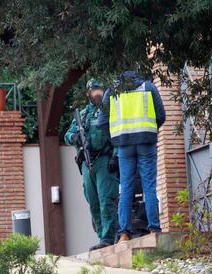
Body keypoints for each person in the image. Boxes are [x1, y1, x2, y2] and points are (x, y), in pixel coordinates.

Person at [99, 71, 166, 242]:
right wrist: (149, 131)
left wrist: (116, 138)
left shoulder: (111, 91)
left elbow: (102, 122)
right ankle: (154, 230)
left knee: (126, 188)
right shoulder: (148, 87)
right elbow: (161, 115)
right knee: (149, 186)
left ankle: (124, 234)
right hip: (146, 142)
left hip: (124, 145)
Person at [64, 79, 119, 250]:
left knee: (106, 199)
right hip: (87, 164)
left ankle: (109, 237)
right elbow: (68, 135)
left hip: (105, 160)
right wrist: (75, 138)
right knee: (93, 202)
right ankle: (102, 236)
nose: (97, 93)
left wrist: (115, 157)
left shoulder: (110, 110)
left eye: (100, 89)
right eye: (94, 90)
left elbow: (118, 134)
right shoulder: (83, 114)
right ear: (88, 93)